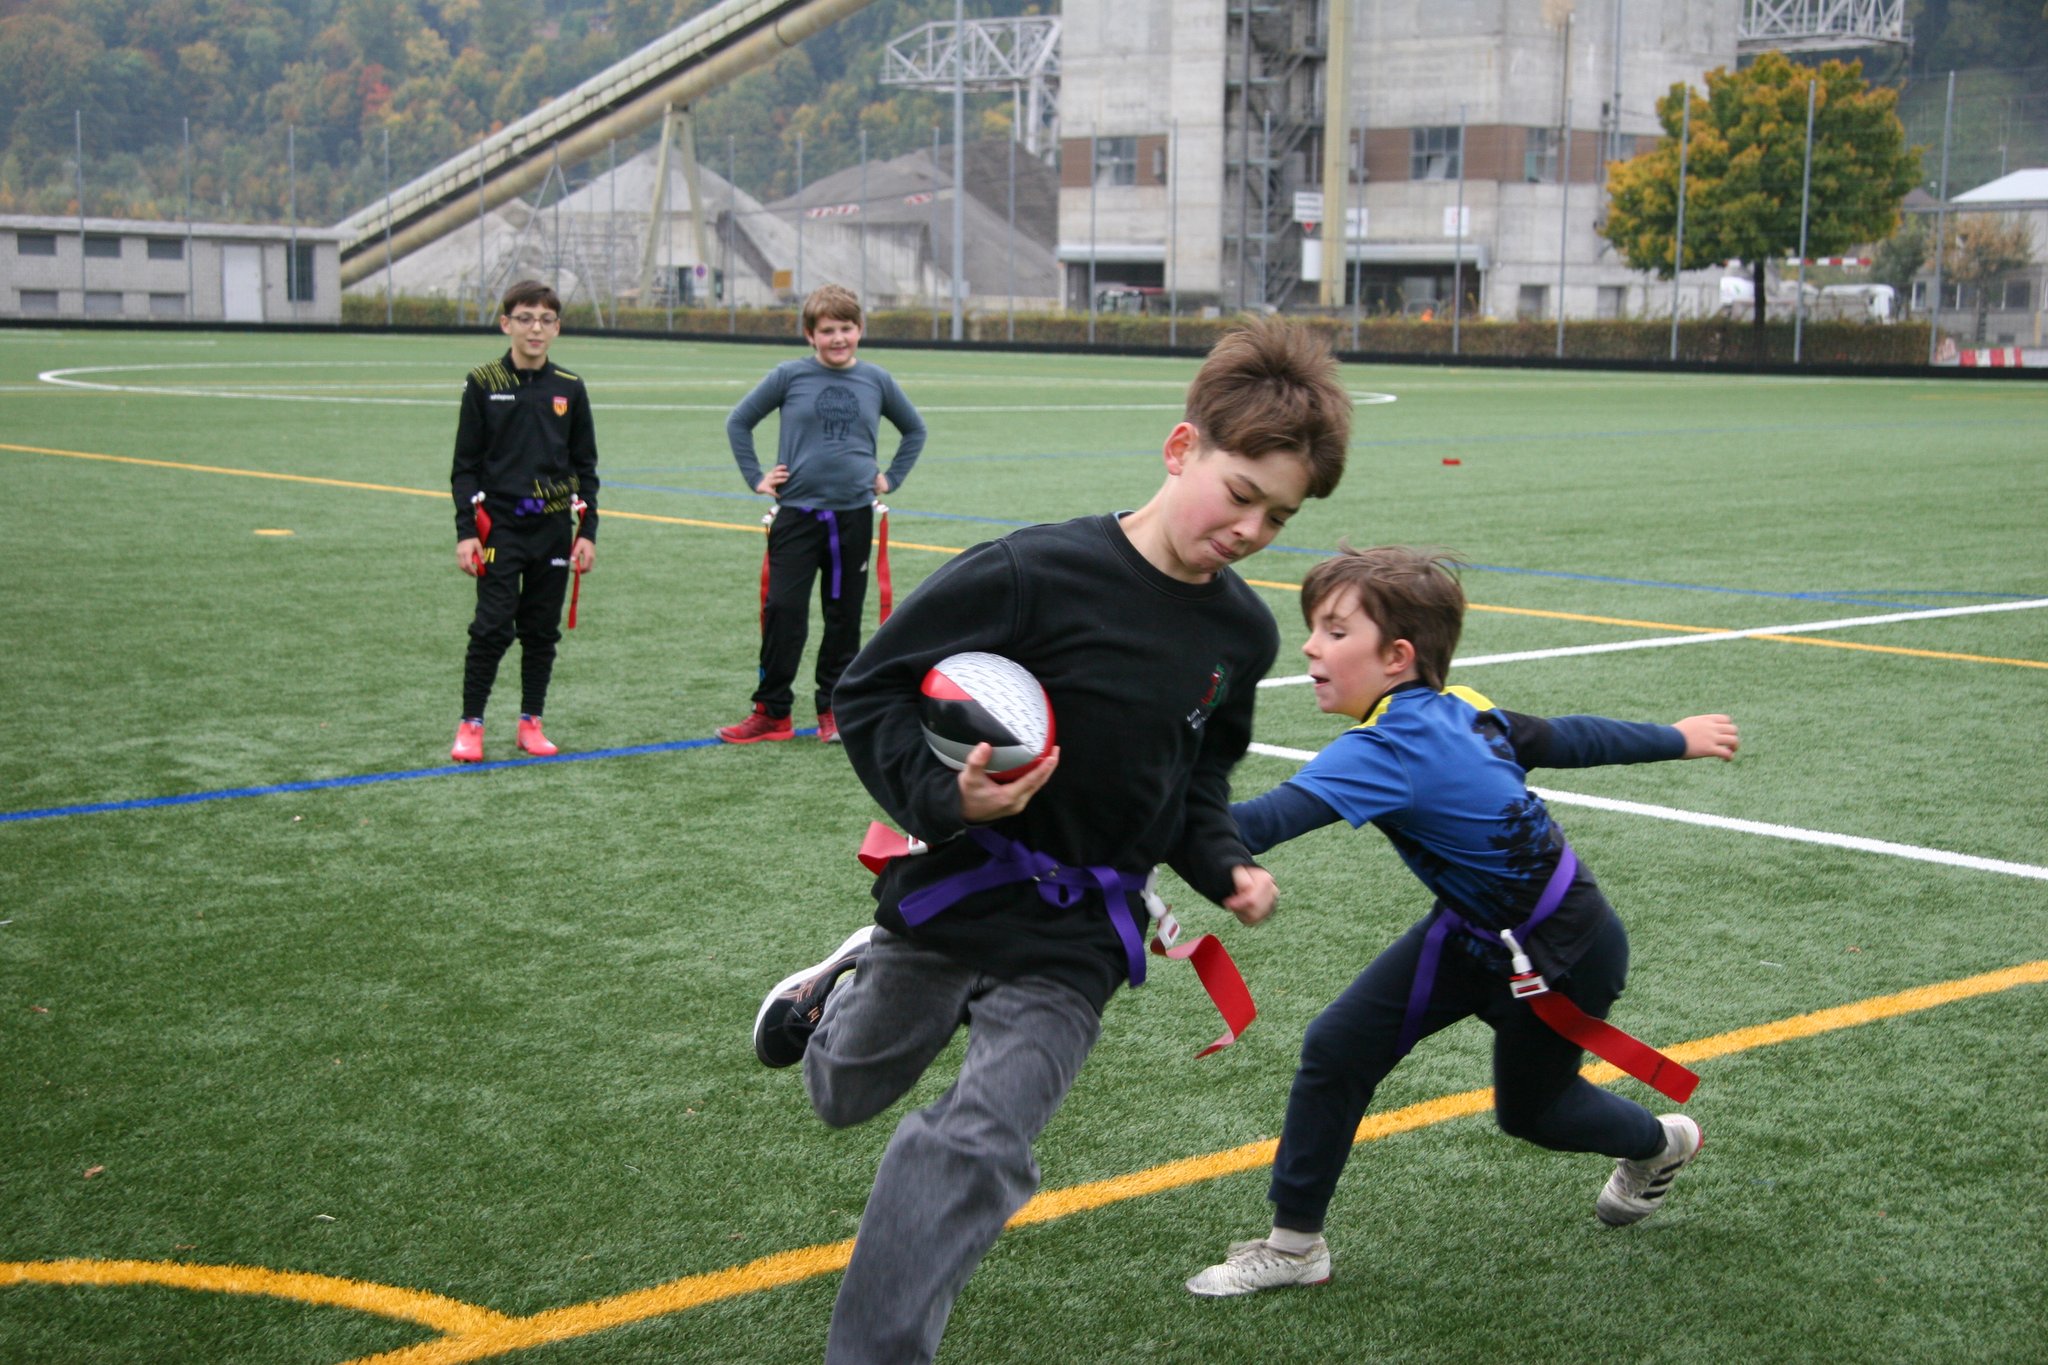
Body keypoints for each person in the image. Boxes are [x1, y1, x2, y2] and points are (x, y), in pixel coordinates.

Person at [749, 318, 1354, 1364]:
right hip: (959, 891)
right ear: (1181, 448)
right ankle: (838, 986)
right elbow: (871, 688)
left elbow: (1198, 778)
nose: (1252, 528)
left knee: (978, 1144)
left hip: (1079, 938)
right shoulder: (1030, 571)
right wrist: (945, 797)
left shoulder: (1241, 635)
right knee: (843, 1093)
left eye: (1279, 516)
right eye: (1240, 493)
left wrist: (1224, 863)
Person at [1183, 546, 1739, 1298]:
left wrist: (1143, 792)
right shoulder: (1459, 707)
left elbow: (1254, 825)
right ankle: (1294, 1247)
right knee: (1338, 1047)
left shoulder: (1384, 748)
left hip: (1565, 956)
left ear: (1397, 657)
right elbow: (1566, 737)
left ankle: (1659, 1142)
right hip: (1469, 935)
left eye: (1334, 631)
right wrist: (1676, 736)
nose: (1310, 646)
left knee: (1536, 1113)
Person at [719, 284, 928, 746]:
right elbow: (739, 421)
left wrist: (891, 477)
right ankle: (772, 712)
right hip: (797, 516)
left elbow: (915, 429)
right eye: (828, 330)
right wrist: (756, 477)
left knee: (843, 618)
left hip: (852, 519)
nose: (838, 338)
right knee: (783, 611)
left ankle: (833, 710)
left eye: (846, 328)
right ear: (810, 335)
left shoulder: (876, 380)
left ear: (860, 330)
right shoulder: (789, 376)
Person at [449, 280, 598, 763]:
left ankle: (531, 722)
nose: (536, 328)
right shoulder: (483, 382)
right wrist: (466, 532)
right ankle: (471, 724)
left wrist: (587, 532)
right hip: (500, 527)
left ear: (557, 328)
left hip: (553, 528)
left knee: (541, 629)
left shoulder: (570, 387)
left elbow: (586, 468)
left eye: (546, 320)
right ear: (506, 323)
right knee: (492, 626)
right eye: (526, 318)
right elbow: (465, 467)